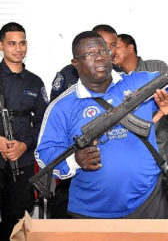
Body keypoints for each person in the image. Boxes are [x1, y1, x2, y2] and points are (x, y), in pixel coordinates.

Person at [35, 31, 168, 218]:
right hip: (91, 210)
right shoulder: (62, 106)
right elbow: (44, 153)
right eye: (90, 54)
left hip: (149, 201)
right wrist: (75, 160)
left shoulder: (139, 82)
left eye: (103, 51)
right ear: (75, 63)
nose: (99, 58)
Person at [48, 24, 121, 219]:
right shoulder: (67, 75)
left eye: (111, 46)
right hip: (74, 170)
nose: (104, 53)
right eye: (101, 46)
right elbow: (56, 121)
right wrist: (73, 159)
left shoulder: (122, 77)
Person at [0, 22, 48, 240]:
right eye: (12, 43)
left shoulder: (35, 82)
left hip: (24, 162)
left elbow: (43, 123)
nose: (18, 48)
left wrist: (24, 145)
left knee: (18, 223)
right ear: (1, 46)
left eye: (22, 43)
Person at [114, 33, 168, 164]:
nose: (112, 51)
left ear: (130, 48)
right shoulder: (113, 77)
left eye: (116, 47)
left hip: (160, 143)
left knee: (162, 183)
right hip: (127, 147)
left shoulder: (156, 68)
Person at [50, 24, 122, 101]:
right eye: (102, 43)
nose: (108, 49)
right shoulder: (67, 74)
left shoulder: (120, 75)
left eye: (113, 45)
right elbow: (55, 106)